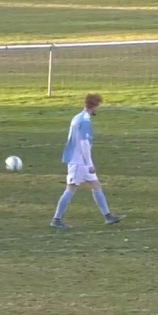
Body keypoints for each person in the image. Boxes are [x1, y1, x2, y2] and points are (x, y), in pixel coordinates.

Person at [51, 93, 124, 229]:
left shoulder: (77, 117)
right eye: (98, 106)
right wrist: (89, 164)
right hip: (79, 161)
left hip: (79, 160)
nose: (98, 109)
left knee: (96, 185)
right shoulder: (85, 121)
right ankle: (56, 219)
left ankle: (108, 216)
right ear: (94, 106)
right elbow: (84, 144)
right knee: (71, 189)